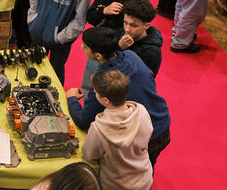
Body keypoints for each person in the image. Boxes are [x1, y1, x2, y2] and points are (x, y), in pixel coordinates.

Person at [66, 28, 171, 167]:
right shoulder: (131, 55)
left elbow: (83, 121)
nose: (81, 47)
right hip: (163, 123)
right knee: (148, 167)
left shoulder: (104, 82)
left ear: (98, 56)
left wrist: (72, 99)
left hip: (144, 137)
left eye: (85, 46)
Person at [81, 69, 154, 190]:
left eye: (96, 92)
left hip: (116, 185)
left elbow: (89, 156)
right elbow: (148, 135)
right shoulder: (141, 110)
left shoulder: (98, 128)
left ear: (106, 100)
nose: (94, 92)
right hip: (144, 181)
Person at [120, 0, 163, 77]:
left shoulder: (150, 53)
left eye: (134, 26)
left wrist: (119, 49)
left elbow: (136, 78)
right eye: (125, 23)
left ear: (146, 26)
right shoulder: (123, 32)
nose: (127, 29)